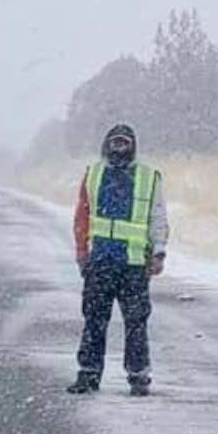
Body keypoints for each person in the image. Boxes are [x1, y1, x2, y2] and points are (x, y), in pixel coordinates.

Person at [69, 123, 170, 396]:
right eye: (116, 142)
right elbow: (82, 218)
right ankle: (88, 374)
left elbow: (158, 217)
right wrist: (81, 253)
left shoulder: (150, 177)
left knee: (136, 323)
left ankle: (138, 377)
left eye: (125, 143)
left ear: (133, 146)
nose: (120, 147)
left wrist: (158, 252)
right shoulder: (93, 174)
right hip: (100, 261)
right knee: (93, 320)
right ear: (107, 145)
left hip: (134, 265)